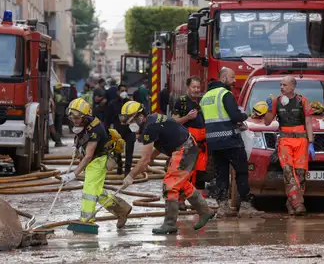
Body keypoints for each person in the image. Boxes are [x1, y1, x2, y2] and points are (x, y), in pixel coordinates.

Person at [120, 101, 215, 234]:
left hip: (185, 149)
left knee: (170, 185)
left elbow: (144, 158)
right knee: (181, 184)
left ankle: (170, 223)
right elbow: (160, 144)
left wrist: (130, 176)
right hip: (187, 146)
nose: (130, 125)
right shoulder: (152, 121)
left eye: (131, 121)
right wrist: (150, 160)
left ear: (140, 117)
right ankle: (205, 211)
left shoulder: (149, 127)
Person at [58, 98, 132, 228]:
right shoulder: (84, 124)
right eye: (71, 118)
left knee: (89, 191)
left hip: (99, 160)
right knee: (97, 191)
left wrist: (73, 174)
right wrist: (76, 148)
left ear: (85, 117)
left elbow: (88, 156)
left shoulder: (95, 129)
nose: (74, 121)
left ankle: (86, 221)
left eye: (77, 118)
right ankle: (122, 209)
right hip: (93, 160)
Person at [200, 67, 263, 218]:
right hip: (230, 140)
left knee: (221, 174)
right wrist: (244, 115)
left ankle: (222, 207)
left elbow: (206, 120)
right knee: (241, 171)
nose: (235, 80)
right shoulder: (225, 94)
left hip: (214, 142)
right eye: (232, 77)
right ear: (223, 79)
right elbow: (235, 116)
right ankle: (246, 206)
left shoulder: (206, 97)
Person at [264, 76, 315, 216]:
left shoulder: (303, 101)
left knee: (300, 174)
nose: (281, 87)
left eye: (285, 85)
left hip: (301, 141)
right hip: (285, 140)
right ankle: (298, 204)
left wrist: (311, 143)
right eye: (280, 85)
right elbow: (267, 122)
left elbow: (309, 123)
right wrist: (268, 109)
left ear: (293, 87)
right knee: (288, 172)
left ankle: (291, 202)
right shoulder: (276, 101)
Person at [172, 76, 209, 211]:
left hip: (202, 145)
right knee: (185, 172)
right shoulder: (181, 102)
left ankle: (199, 203)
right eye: (194, 87)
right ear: (188, 87)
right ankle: (181, 200)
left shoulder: (203, 102)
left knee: (200, 174)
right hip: (187, 143)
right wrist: (187, 117)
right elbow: (174, 122)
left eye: (198, 87)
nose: (196, 90)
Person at [105, 84, 136, 175]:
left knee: (129, 151)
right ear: (118, 92)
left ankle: (127, 170)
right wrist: (107, 132)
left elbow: (137, 117)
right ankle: (119, 166)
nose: (124, 92)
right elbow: (107, 119)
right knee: (117, 151)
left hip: (130, 131)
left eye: (125, 90)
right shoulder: (112, 104)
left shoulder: (131, 103)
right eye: (122, 90)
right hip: (118, 132)